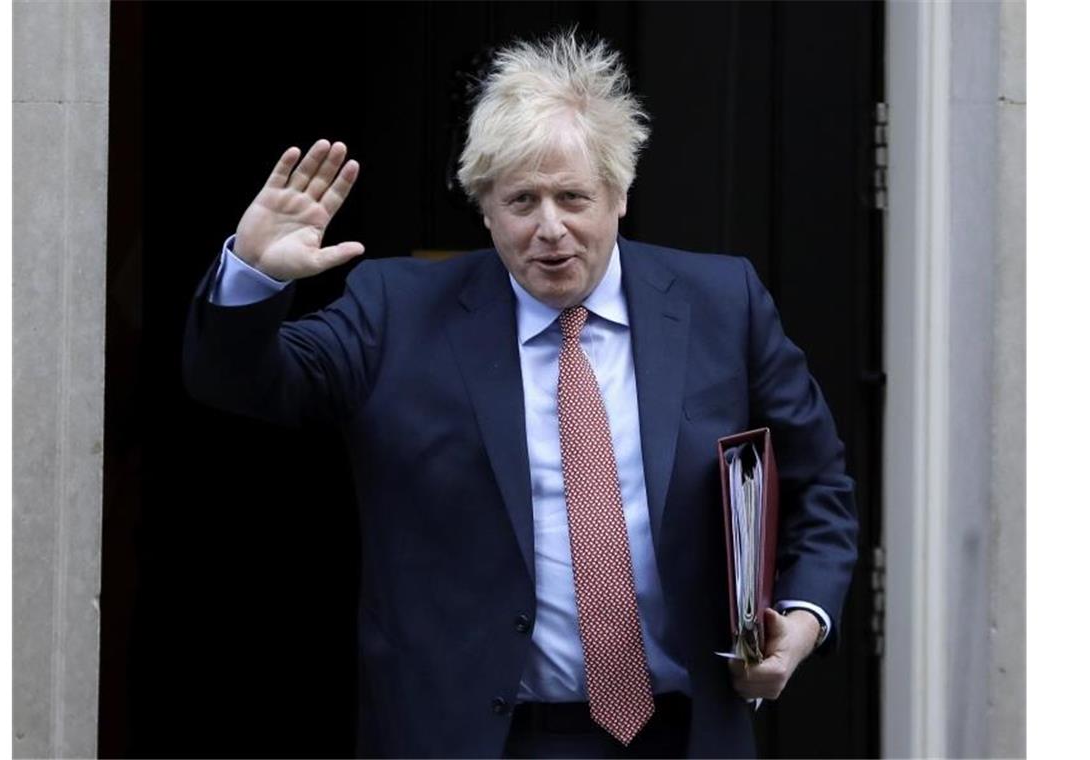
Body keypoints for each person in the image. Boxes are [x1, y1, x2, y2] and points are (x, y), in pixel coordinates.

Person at [183, 32, 857, 759]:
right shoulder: (397, 312)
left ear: (620, 193)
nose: (550, 229)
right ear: (484, 208)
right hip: (479, 738)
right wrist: (255, 277)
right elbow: (245, 386)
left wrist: (802, 619)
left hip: (686, 732)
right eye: (521, 201)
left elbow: (821, 486)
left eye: (574, 197)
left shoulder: (721, 304)